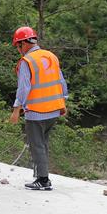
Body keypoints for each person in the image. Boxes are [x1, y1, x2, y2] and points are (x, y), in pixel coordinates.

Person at [9, 26, 68, 191]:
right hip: (54, 110)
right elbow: (61, 81)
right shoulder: (51, 56)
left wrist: (16, 110)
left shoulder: (27, 62)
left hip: (36, 112)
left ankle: (43, 180)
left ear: (23, 44)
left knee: (37, 145)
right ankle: (40, 174)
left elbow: (23, 88)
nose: (18, 50)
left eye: (18, 46)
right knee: (43, 144)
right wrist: (64, 102)